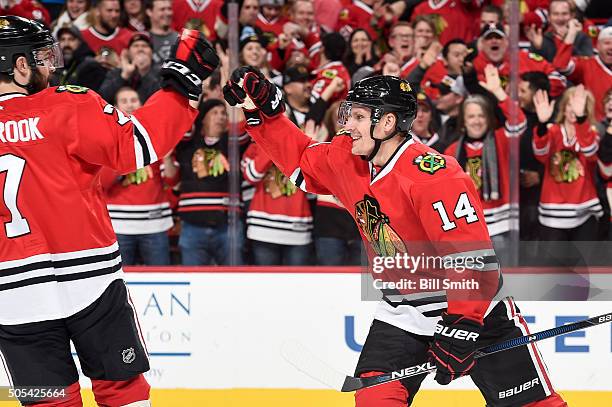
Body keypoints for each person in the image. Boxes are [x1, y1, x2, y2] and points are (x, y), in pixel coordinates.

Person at [223, 68, 567, 407]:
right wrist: (265, 114)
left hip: (477, 312)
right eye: (349, 115)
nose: (348, 126)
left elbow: (471, 257)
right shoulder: (348, 157)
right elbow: (302, 159)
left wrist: (462, 323)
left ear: (387, 123)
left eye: (358, 117)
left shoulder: (434, 175)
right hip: (403, 312)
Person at [0, 16, 219, 406]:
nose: (48, 66)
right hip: (90, 281)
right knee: (123, 391)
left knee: (47, 401)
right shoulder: (66, 104)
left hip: (11, 296)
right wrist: (180, 84)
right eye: (39, 58)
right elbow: (137, 145)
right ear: (19, 66)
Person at [99, 87, 176, 266]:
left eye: (133, 100)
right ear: (115, 107)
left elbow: (172, 180)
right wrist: (121, 155)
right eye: (124, 101)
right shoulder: (106, 138)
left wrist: (169, 156)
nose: (129, 105)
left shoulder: (155, 137)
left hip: (155, 224)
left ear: (141, 105)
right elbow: (103, 183)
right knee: (121, 284)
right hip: (119, 226)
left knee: (160, 283)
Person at [99, 31, 160, 104]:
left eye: (145, 46)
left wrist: (144, 73)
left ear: (152, 52)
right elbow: (102, 98)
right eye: (135, 46)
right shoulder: (117, 72)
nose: (140, 49)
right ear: (128, 52)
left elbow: (157, 101)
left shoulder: (161, 73)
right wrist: (124, 76)